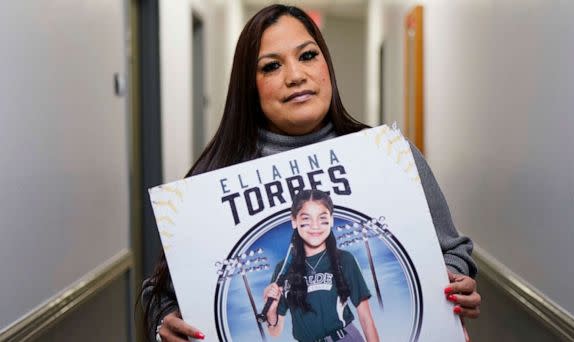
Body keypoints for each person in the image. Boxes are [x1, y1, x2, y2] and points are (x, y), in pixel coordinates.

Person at [142, 4, 481, 342]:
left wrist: (450, 285)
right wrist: (164, 325)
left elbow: (453, 250)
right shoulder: (212, 183)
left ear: (326, 65)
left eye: (307, 56)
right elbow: (160, 293)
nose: (295, 75)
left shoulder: (391, 156)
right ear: (250, 87)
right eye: (272, 66)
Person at [263, 189, 379, 342]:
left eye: (322, 219)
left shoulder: (344, 259)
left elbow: (366, 319)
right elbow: (275, 332)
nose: (315, 226)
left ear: (331, 220)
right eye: (306, 219)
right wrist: (271, 311)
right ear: (294, 221)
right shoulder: (283, 269)